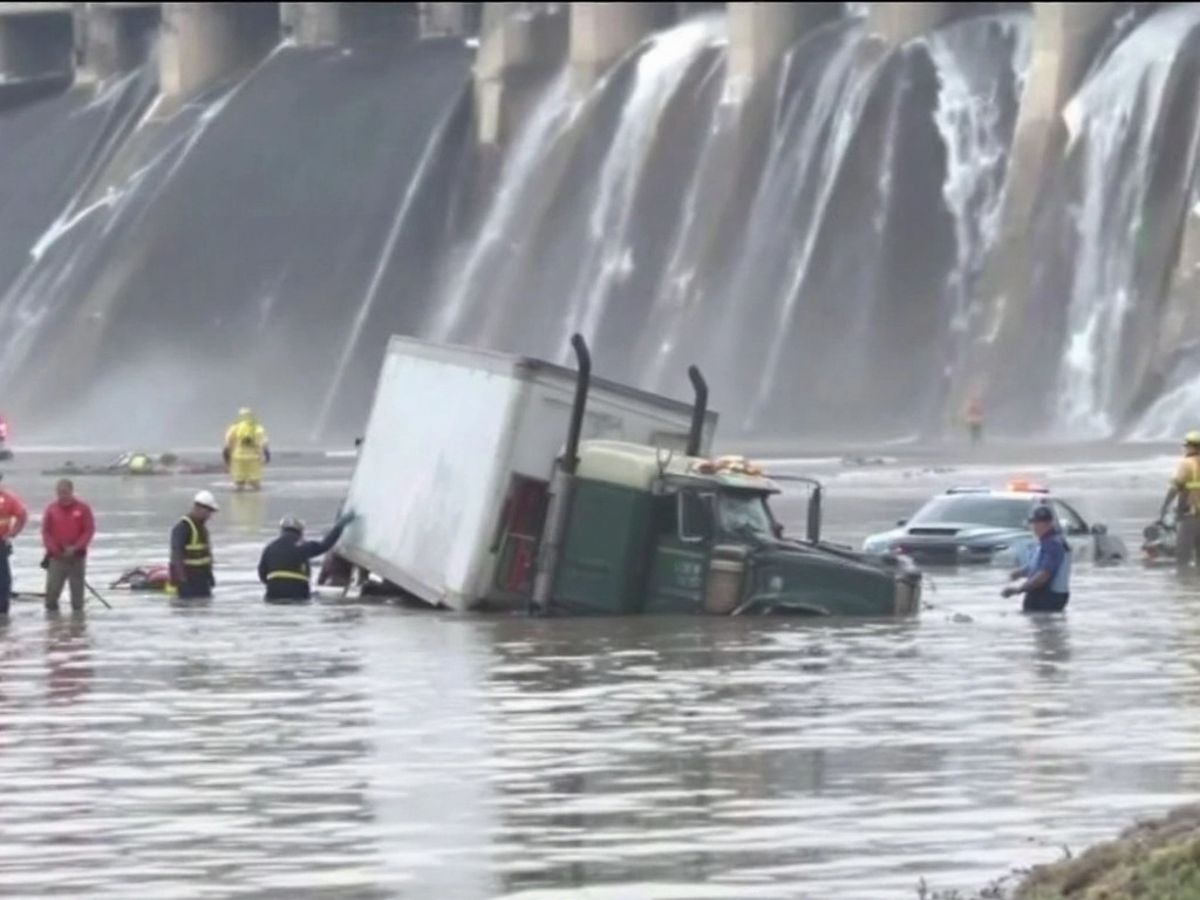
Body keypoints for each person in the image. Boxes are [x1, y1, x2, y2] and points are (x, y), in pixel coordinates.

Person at [258, 510, 356, 603]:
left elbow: (262, 573)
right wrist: (339, 526)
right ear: (300, 531)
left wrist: (275, 584)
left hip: (273, 593)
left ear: (282, 530)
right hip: (298, 593)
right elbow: (325, 545)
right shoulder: (303, 545)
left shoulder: (270, 548)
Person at [1002, 505, 1072, 612]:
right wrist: (1020, 573)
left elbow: (1044, 575)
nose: (1035, 527)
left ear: (1049, 524)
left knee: (1040, 627)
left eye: (1038, 523)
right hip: (1044, 595)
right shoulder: (1046, 542)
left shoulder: (1052, 544)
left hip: (1047, 598)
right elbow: (1036, 567)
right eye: (1034, 523)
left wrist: (1019, 589)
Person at [41, 479, 95, 613]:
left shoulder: (83, 508)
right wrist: (53, 549)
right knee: (51, 597)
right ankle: (53, 625)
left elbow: (89, 530)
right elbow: (45, 532)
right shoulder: (51, 508)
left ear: (71, 491)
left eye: (65, 492)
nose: (62, 496)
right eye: (59, 493)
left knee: (77, 600)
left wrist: (76, 547)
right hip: (56, 558)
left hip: (76, 558)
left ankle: (77, 627)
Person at [1160, 431, 1200, 569]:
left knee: (1182, 557)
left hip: (1191, 516)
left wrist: (1164, 506)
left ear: (1193, 447)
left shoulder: (1187, 463)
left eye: (1188, 446)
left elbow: (1176, 487)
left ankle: (1186, 586)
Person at [170, 491, 219, 599]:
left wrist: (210, 577)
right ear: (198, 508)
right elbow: (176, 556)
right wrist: (181, 581)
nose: (209, 516)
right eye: (208, 511)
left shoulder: (202, 529)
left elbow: (206, 556)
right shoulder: (182, 528)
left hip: (202, 581)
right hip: (188, 582)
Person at [223, 407, 270, 492]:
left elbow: (228, 442)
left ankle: (239, 502)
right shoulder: (257, 428)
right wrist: (266, 453)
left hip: (238, 458)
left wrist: (227, 456)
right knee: (255, 484)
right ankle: (254, 502)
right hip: (254, 458)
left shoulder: (235, 428)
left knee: (239, 483)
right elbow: (264, 442)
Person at [0, 474, 27, 617]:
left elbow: (22, 515)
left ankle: (3, 611)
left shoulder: (8, 498)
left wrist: (11, 534)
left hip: (1, 543)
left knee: (3, 579)